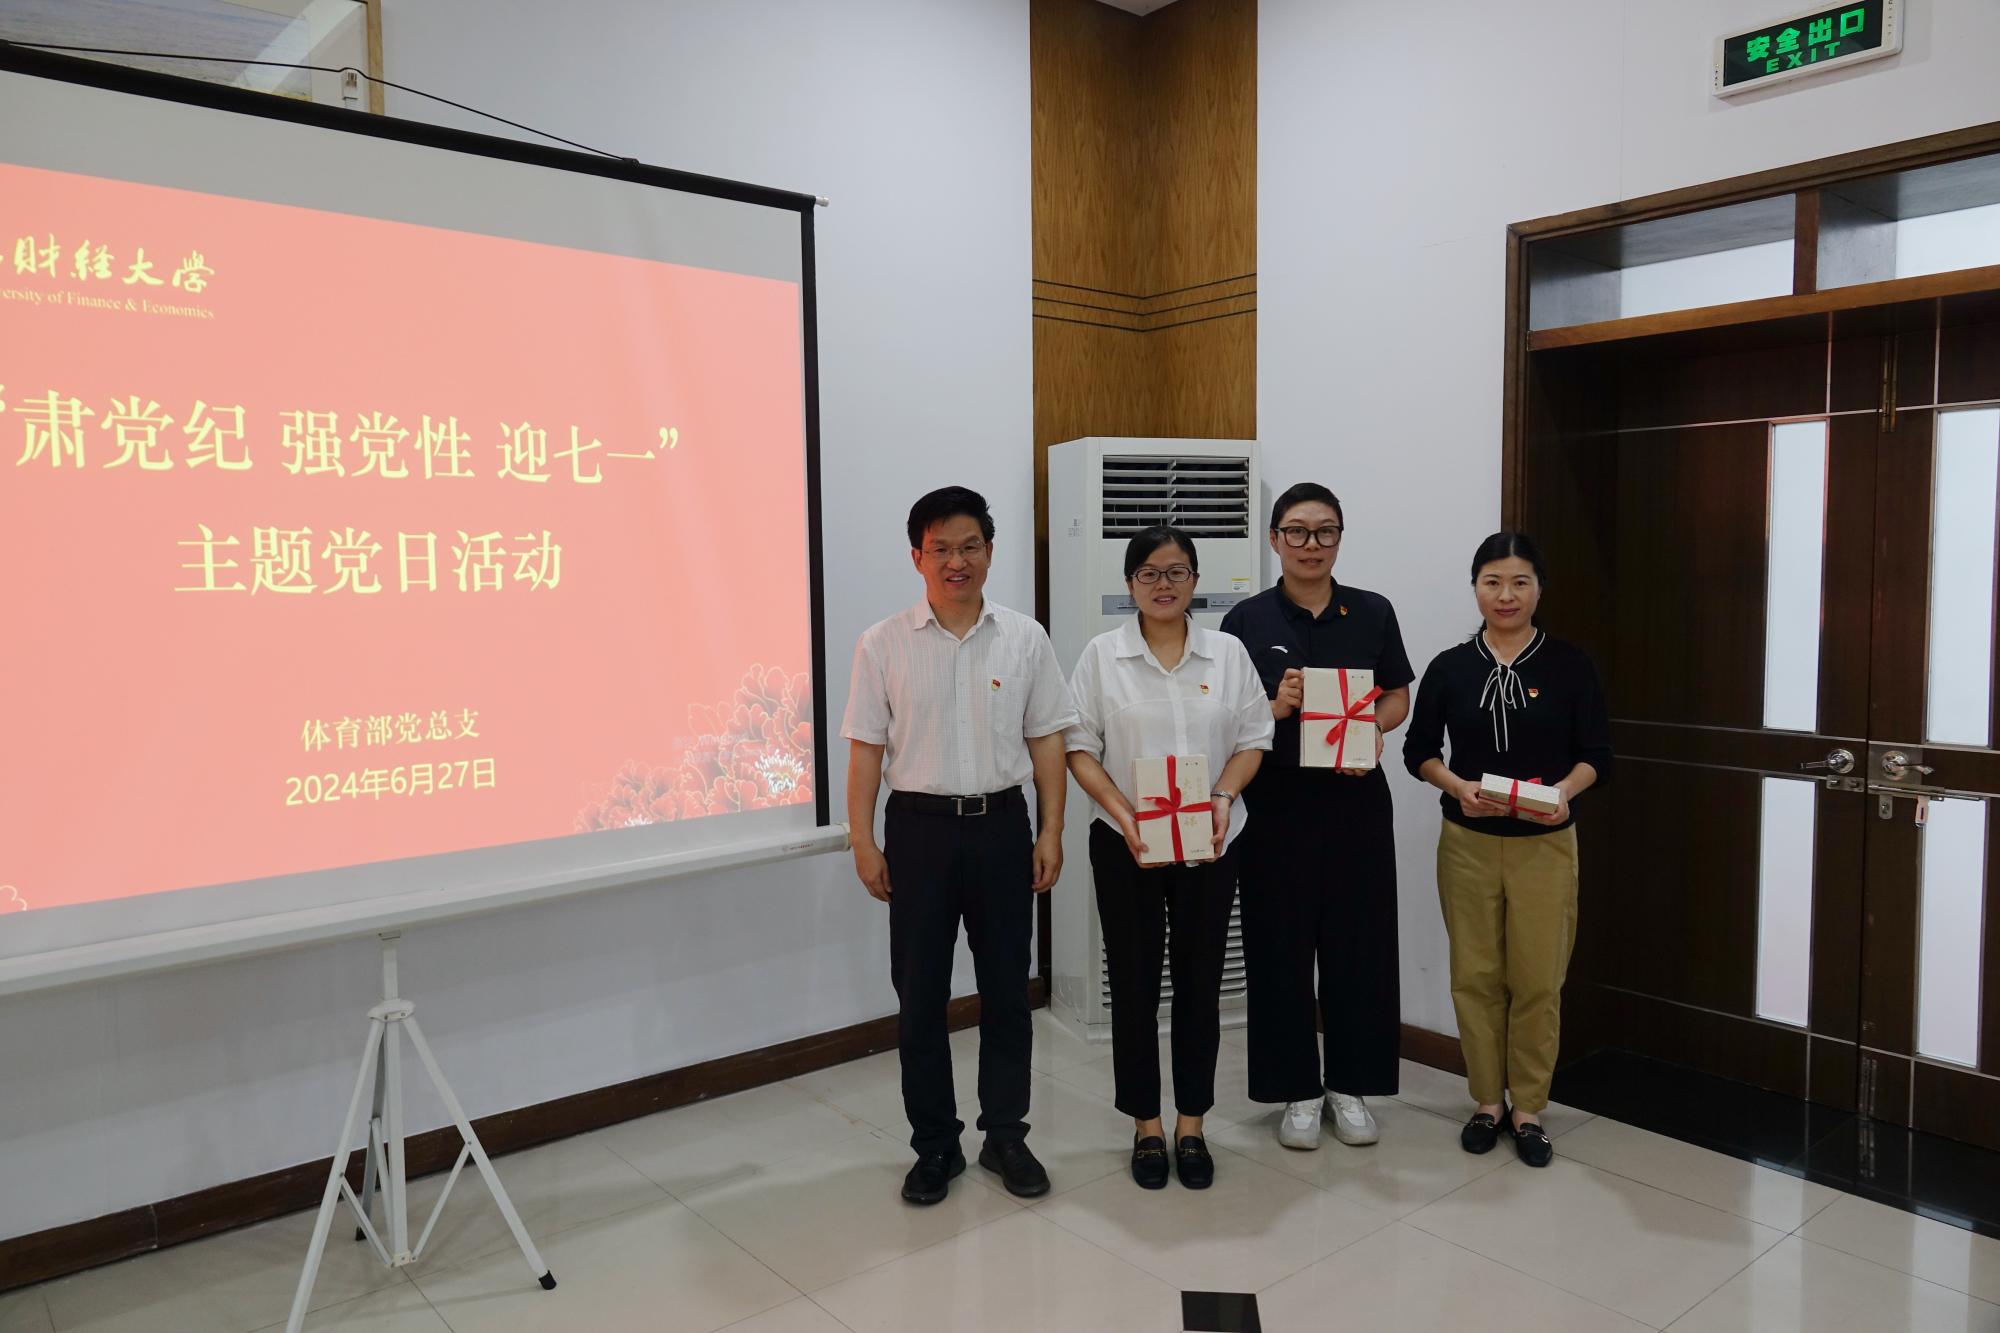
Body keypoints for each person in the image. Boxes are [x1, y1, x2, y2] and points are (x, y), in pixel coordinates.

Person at [841, 485, 1077, 1204]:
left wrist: (1051, 829)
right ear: (917, 557)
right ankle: (935, 1145)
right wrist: (862, 839)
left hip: (1003, 826)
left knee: (1008, 991)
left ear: (990, 552)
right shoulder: (882, 643)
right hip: (918, 832)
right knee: (920, 997)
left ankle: (1005, 1134)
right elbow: (865, 750)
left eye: (969, 546)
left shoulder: (1025, 638)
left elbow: (1048, 738)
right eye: (940, 548)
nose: (956, 561)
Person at [1065, 526, 1273, 1189]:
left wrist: (1223, 798)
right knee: (1133, 984)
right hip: (1124, 842)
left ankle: (1192, 1123)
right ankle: (1146, 1125)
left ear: (1195, 581)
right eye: (1149, 573)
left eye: (1177, 571)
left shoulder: (1228, 654)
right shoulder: (1102, 656)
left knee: (1199, 983)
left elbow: (1254, 737)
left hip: (1211, 840)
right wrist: (1125, 814)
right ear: (1129, 583)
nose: (1163, 584)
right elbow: (1078, 747)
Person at [1403, 532, 1610, 1168]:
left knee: (1538, 979)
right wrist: (1456, 786)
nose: (1506, 595)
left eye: (1520, 582)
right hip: (1467, 843)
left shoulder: (1570, 665)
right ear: (1475, 588)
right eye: (1492, 582)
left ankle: (1529, 1109)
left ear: (1539, 589)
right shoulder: (1450, 667)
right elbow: (1418, 752)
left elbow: (1596, 755)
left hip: (1544, 845)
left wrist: (1563, 793)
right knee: (1475, 975)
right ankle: (1487, 1101)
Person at [1221, 483, 1413, 1150]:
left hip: (1358, 801)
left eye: (1325, 531)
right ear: (1274, 538)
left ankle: (1350, 1086)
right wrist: (1275, 704)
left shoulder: (1373, 611)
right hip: (1276, 805)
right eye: (1298, 531)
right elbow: (1227, 716)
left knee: (1360, 945)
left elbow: (1397, 696)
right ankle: (1297, 1090)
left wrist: (1373, 729)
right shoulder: (1246, 621)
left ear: (1339, 538)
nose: (1311, 544)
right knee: (1279, 946)